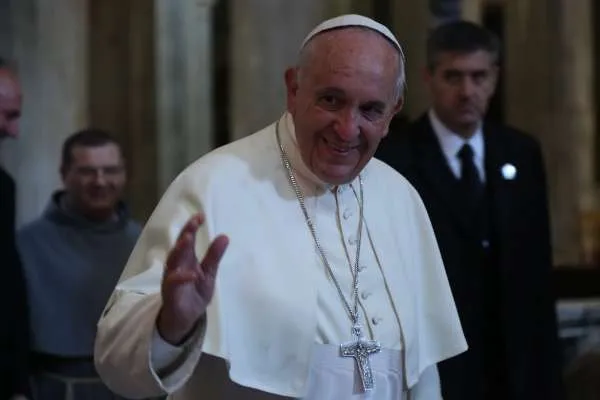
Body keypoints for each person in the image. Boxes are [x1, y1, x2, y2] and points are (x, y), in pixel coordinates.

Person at [94, 14, 467, 400]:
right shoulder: (213, 185)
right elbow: (115, 365)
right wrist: (170, 324)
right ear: (293, 89)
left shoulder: (401, 198)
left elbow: (421, 370)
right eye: (331, 100)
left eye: (371, 109)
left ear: (393, 112)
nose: (347, 129)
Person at [375, 20, 564, 400]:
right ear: (429, 78)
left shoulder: (520, 152)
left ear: (495, 78)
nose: (467, 92)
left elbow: (536, 273)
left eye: (479, 77)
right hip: (440, 364)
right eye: (453, 77)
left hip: (514, 365)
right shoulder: (395, 159)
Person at [17, 129, 143, 399]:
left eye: (111, 170)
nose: (100, 181)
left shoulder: (144, 241)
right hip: (52, 387)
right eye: (87, 172)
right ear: (64, 174)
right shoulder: (25, 244)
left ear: (124, 173)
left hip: (131, 386)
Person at [0, 56, 31, 400]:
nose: (13, 132)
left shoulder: (3, 187)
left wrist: (16, 385)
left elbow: (7, 290)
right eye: (7, 115)